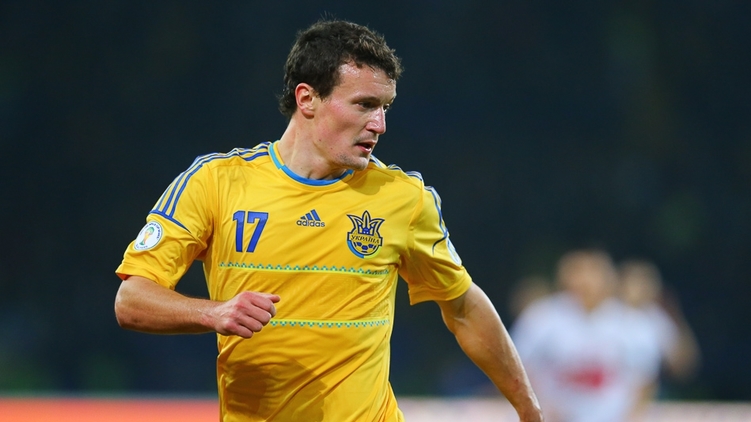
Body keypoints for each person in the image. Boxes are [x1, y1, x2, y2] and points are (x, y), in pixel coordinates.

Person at [114, 19, 543, 422]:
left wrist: (529, 409)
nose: (380, 124)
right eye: (365, 105)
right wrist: (214, 313)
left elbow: (463, 306)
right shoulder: (216, 183)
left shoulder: (403, 198)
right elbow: (132, 300)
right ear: (307, 99)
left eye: (385, 107)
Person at [510, 249, 648, 422]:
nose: (586, 280)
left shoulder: (630, 321)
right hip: (553, 417)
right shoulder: (541, 317)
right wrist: (540, 405)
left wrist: (631, 417)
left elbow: (644, 378)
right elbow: (516, 366)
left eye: (593, 271)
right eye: (578, 271)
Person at [618, 259, 700, 402]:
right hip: (609, 393)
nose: (642, 288)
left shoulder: (657, 318)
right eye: (636, 281)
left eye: (646, 282)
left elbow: (683, 366)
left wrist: (675, 314)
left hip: (649, 396)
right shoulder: (608, 315)